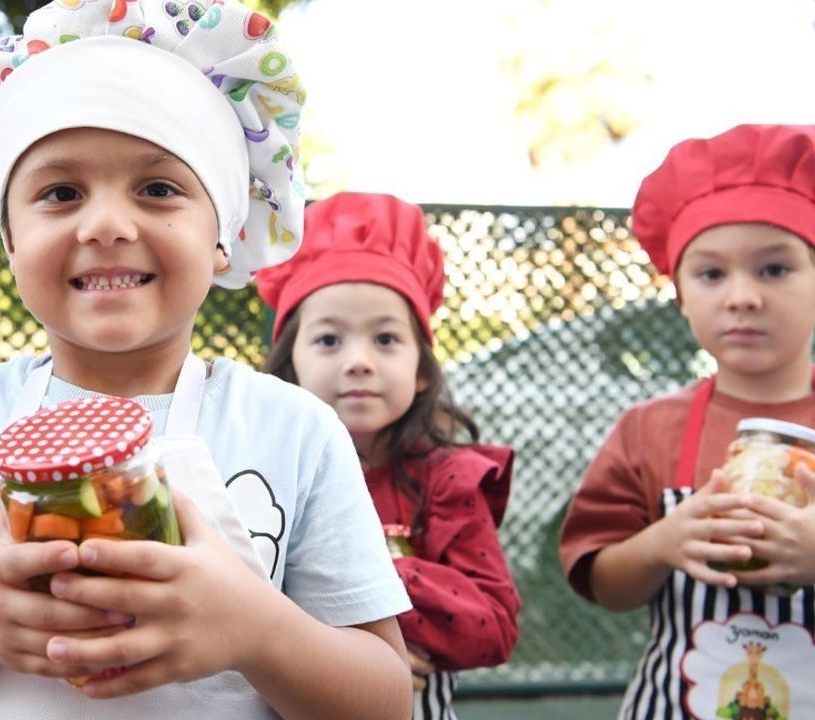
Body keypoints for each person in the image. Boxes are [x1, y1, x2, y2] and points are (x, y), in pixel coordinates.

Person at [0, 2, 415, 718]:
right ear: (10, 240)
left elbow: (384, 699)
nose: (105, 224)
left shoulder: (295, 429)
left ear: (224, 234)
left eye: (159, 188)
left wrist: (259, 630)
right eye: (61, 193)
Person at [559, 124, 815, 719]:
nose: (742, 296)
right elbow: (603, 581)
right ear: (679, 294)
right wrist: (661, 545)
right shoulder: (648, 430)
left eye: (774, 269)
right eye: (711, 274)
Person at [256, 192, 522, 720]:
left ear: (421, 369)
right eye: (329, 339)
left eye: (385, 338)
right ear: (291, 369)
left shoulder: (448, 481)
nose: (358, 361)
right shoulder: (262, 477)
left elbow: (493, 627)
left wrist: (365, 572)